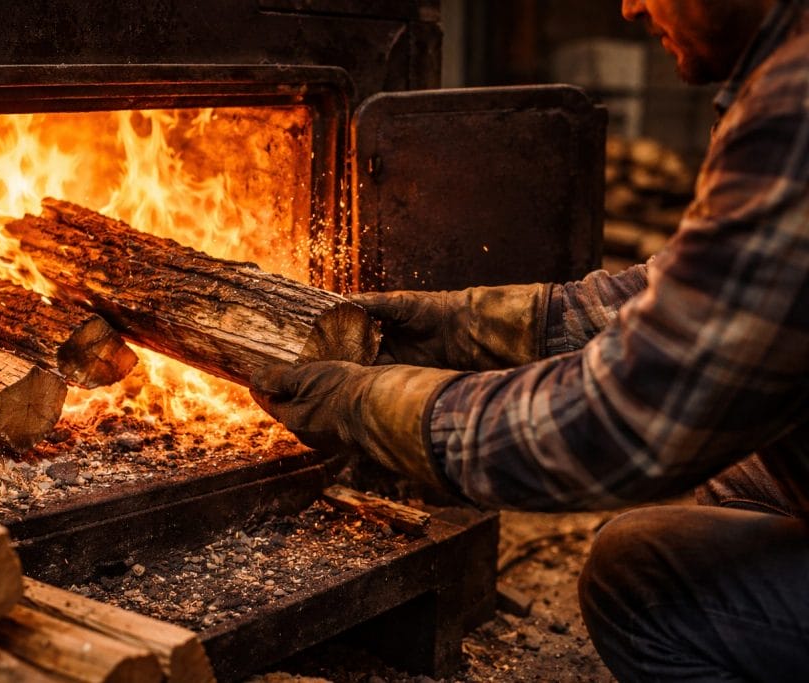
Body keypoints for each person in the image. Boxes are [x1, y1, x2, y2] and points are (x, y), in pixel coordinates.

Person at [250, 0, 809, 680]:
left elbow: (622, 419)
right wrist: (457, 324)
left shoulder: (795, 110)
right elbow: (674, 303)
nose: (630, 6)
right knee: (733, 478)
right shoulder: (783, 72)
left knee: (636, 579)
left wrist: (370, 407)